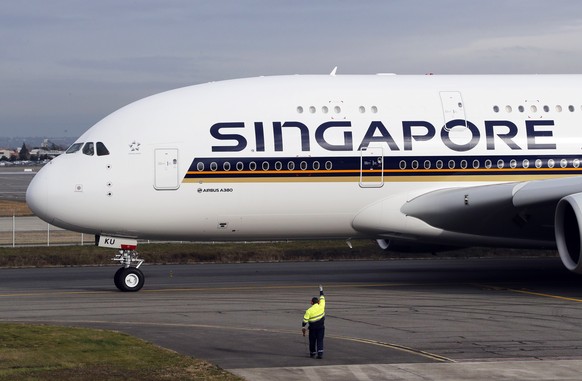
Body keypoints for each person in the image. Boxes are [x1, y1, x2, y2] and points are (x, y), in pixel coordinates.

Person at [302, 285, 326, 359]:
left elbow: (305, 321)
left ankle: (312, 353)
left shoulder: (309, 311)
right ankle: (320, 353)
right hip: (321, 327)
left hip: (312, 328)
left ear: (311, 302)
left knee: (312, 341)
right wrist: (321, 290)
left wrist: (303, 327)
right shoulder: (321, 306)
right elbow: (322, 297)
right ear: (318, 302)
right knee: (320, 340)